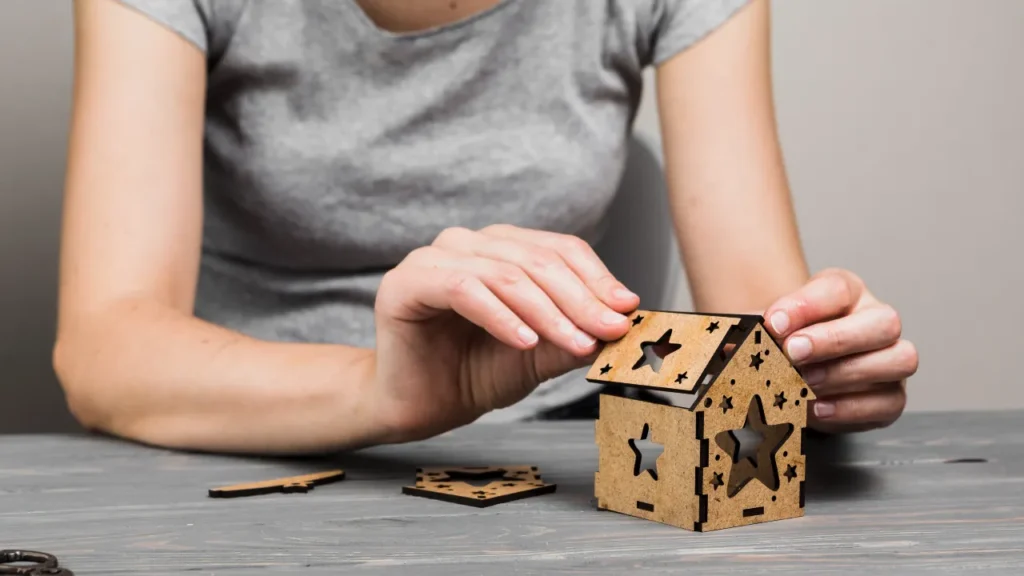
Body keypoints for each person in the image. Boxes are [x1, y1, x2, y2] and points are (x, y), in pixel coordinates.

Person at [55, 0, 918, 455]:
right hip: (252, 437)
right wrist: (382, 389)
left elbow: (759, 324)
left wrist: (811, 369)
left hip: (574, 455)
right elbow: (105, 353)